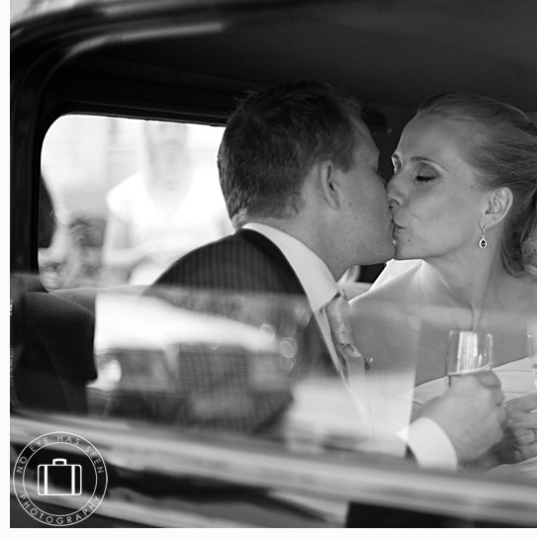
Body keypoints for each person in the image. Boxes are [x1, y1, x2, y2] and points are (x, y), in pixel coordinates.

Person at [152, 81, 508, 473]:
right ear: (330, 184)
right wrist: (439, 439)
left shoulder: (292, 292)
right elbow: (258, 492)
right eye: (375, 169)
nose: (390, 190)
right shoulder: (226, 295)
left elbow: (309, 453)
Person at [350, 92, 537, 488]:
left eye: (424, 176)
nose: (391, 190)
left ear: (493, 207)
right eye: (397, 167)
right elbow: (358, 488)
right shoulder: (363, 324)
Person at [102, 120, 232, 285]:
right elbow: (110, 257)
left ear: (186, 132)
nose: (171, 136)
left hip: (206, 289)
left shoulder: (215, 184)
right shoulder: (126, 193)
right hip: (147, 292)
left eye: (178, 128)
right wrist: (144, 254)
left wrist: (200, 253)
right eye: (162, 129)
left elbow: (235, 245)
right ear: (148, 135)